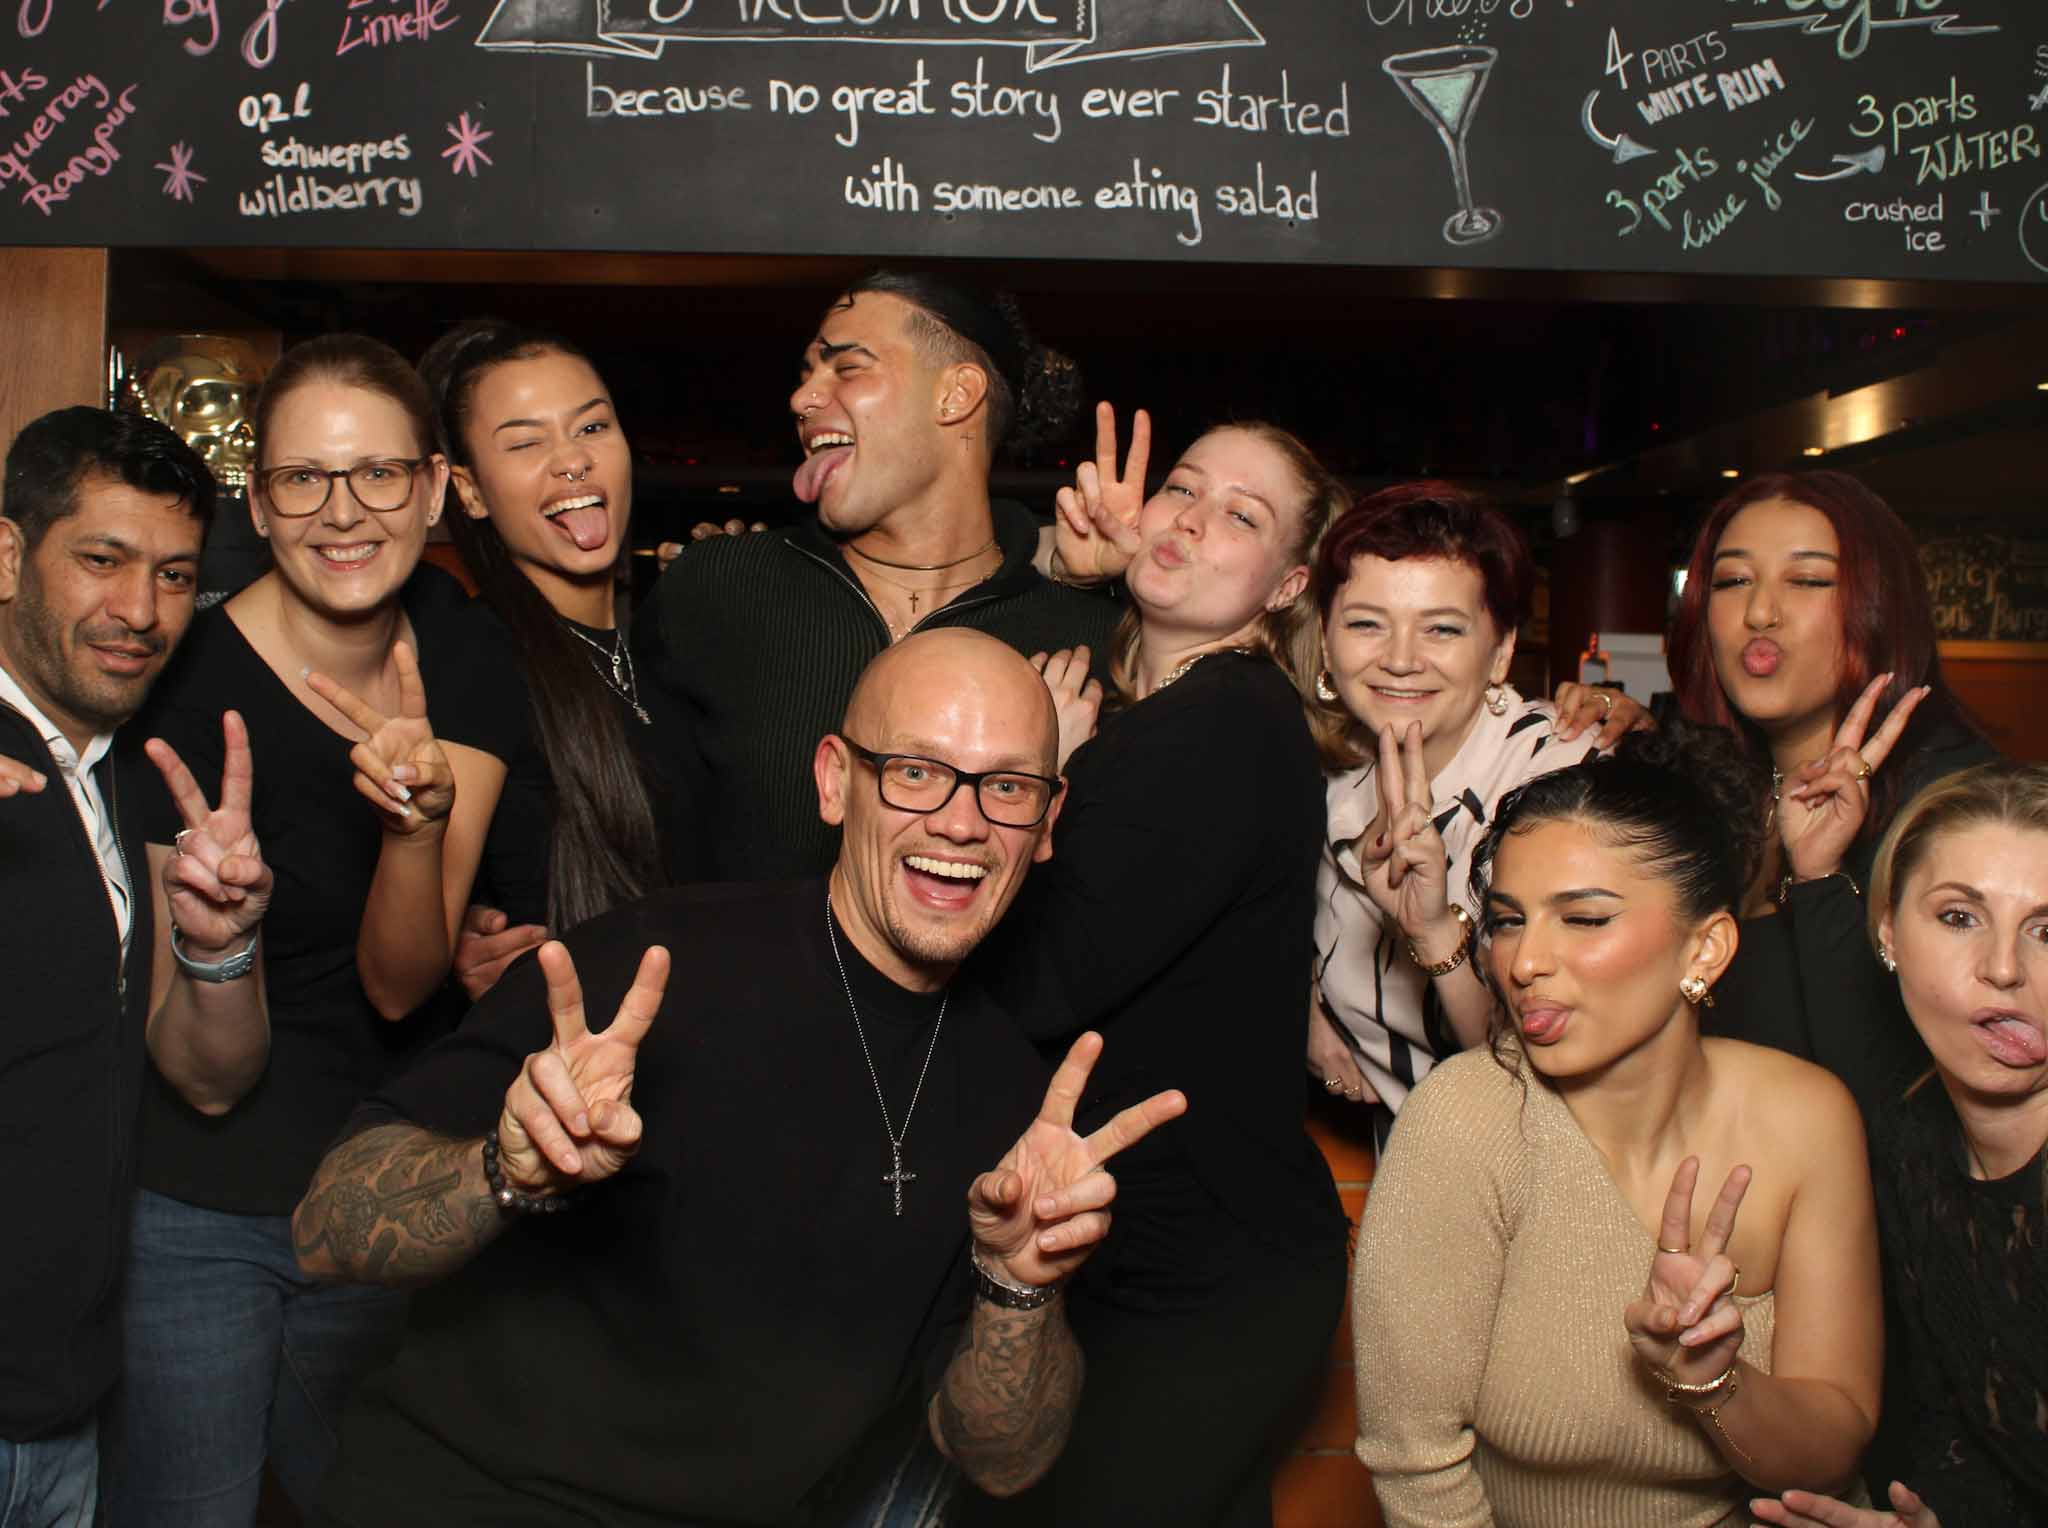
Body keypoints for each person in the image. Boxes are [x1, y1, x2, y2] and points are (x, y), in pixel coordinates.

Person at [289, 629, 1186, 1525]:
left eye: (1007, 787)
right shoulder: (655, 964)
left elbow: (1000, 1461)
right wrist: (501, 1171)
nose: (961, 821)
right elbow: (326, 1229)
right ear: (835, 782)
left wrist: (1018, 1286)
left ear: (1046, 824)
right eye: (915, 770)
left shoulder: (1016, 1098)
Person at [105, 336, 531, 1525]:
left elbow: (402, 987)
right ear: (259, 500)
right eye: (304, 479)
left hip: (388, 1188)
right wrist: (218, 935)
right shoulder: (179, 683)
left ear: (436, 488)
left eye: (380, 475)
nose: (343, 512)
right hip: (197, 1206)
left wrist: (414, 823)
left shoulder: (462, 648)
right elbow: (195, 1074)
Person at [961, 412, 1350, 1528]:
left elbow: (1035, 979)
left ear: (1284, 585)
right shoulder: (1170, 714)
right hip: (1171, 1253)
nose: (1189, 518)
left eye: (1242, 515)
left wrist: (1043, 787)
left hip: (1199, 1271)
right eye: (1183, 487)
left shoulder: (1217, 725)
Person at [1354, 724, 1882, 1526]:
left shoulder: (1808, 1118)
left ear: (1703, 951)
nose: (1523, 961)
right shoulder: (1465, 1123)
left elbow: (1830, 1453)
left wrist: (1713, 1380)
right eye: (1505, 920)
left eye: (1584, 919)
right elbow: (1415, 1467)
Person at [0, 406, 272, 1526]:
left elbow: (210, 1078)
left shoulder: (125, 774)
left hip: (60, 1410)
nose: (139, 612)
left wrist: (221, 946)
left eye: (171, 574)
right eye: (100, 562)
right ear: (10, 556)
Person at [635, 268, 1118, 881]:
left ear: (956, 394)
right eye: (807, 372)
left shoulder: (1087, 638)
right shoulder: (719, 589)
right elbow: (625, 835)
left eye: (846, 366)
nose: (803, 398)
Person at [1751, 764, 2048, 1528]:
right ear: (1887, 932)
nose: (2005, 968)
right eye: (1959, 918)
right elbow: (1960, 1438)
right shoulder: (1912, 1145)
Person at [1662, 471, 1995, 1105]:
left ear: (1879, 605)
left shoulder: (1955, 810)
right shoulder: (1707, 783)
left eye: (1808, 580)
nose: (1759, 613)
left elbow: (1911, 1108)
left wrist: (1820, 882)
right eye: (1733, 581)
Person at [1303, 482, 1605, 1144]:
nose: (1402, 659)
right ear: (1325, 642)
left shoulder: (1562, 784)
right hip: (1413, 1171)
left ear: (1501, 652)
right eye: (1365, 623)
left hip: (1553, 1168)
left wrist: (1436, 933)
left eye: (1442, 628)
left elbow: (1543, 1082)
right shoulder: (1319, 778)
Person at [419, 319, 702, 996]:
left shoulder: (666, 648)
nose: (571, 459)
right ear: (470, 491)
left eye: (592, 427)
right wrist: (458, 956)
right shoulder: (476, 655)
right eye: (524, 442)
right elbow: (411, 955)